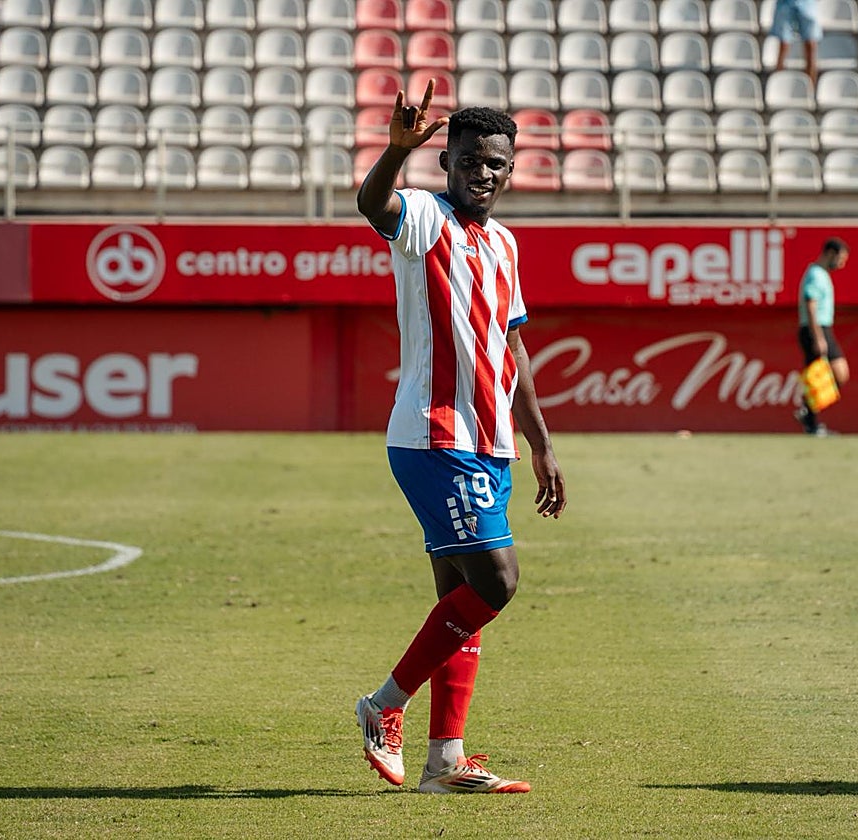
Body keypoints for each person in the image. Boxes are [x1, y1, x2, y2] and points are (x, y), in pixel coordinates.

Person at [353, 81, 567, 795]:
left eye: (496, 163)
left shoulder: (504, 243)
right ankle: (385, 703)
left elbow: (514, 349)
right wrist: (394, 152)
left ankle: (446, 761)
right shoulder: (424, 216)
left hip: (492, 441)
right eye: (470, 160)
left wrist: (541, 443)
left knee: (460, 597)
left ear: (511, 170)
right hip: (434, 433)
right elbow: (373, 205)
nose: (483, 172)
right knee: (497, 581)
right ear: (446, 162)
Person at [794, 238, 850, 437]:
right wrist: (818, 336)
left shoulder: (821, 274)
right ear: (830, 254)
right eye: (841, 259)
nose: (841, 264)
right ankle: (810, 420)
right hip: (815, 329)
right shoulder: (816, 275)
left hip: (821, 328)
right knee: (825, 375)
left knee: (833, 375)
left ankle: (807, 413)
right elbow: (811, 304)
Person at [771, 0, 821, 87]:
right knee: (783, 45)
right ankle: (778, 87)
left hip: (807, 2)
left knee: (811, 45)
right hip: (785, 3)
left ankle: (810, 88)